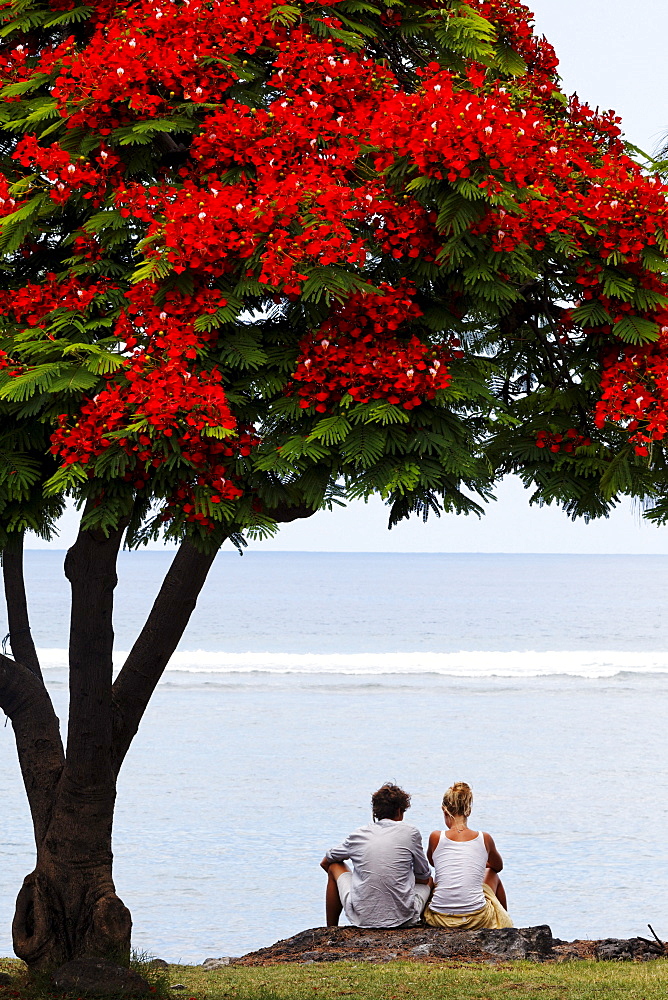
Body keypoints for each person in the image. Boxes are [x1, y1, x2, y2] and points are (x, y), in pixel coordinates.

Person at [320, 783, 432, 928]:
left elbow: (325, 862)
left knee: (334, 865)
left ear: (375, 812)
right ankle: (421, 925)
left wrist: (360, 879)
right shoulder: (410, 833)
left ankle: (331, 928)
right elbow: (423, 877)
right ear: (399, 811)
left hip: (363, 918)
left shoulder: (358, 835)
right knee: (431, 880)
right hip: (403, 918)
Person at [424, 781, 513, 929]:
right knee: (491, 873)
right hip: (477, 918)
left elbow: (434, 863)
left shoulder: (435, 837)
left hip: (440, 918)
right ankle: (505, 923)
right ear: (469, 811)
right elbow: (497, 866)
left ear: (444, 811)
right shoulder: (484, 838)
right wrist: (478, 862)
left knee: (433, 881)